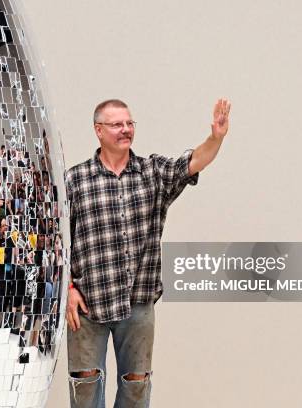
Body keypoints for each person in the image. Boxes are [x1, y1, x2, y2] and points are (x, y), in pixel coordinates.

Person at [65, 98, 231, 407]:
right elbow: (60, 243)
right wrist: (68, 288)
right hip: (87, 304)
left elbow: (192, 162)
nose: (125, 130)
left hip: (137, 302)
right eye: (117, 124)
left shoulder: (152, 173)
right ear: (98, 131)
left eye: (129, 123)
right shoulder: (74, 180)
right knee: (85, 385)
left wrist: (216, 138)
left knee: (136, 384)